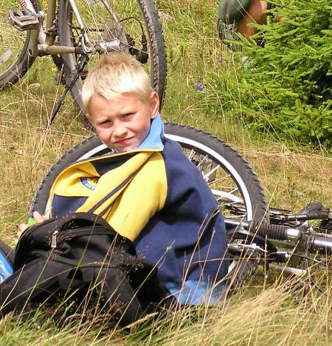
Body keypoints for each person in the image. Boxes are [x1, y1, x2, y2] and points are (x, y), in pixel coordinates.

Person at [23, 53, 229, 306]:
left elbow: (110, 233)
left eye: (127, 116)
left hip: (182, 293)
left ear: (153, 105)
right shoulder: (148, 154)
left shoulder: (157, 166)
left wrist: (48, 237)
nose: (119, 130)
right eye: (106, 122)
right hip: (190, 286)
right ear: (91, 122)